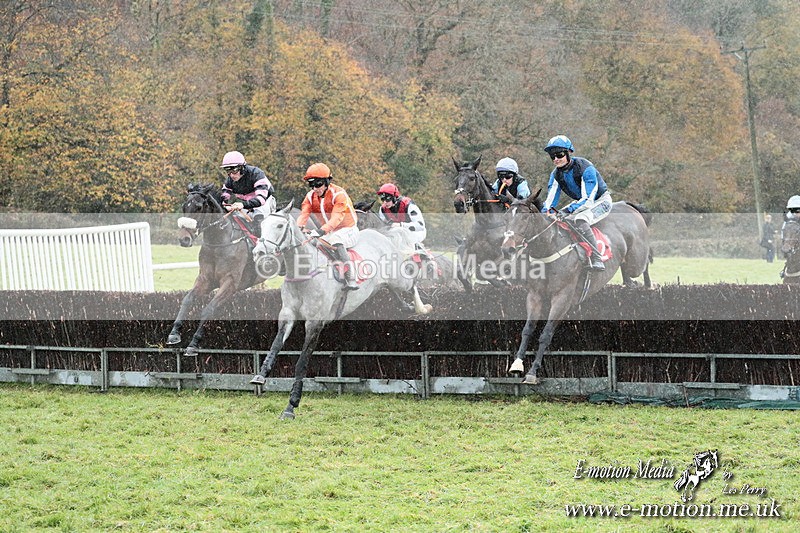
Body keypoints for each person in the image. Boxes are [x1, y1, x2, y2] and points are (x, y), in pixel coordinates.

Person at [541, 135, 611, 271]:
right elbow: (550, 201)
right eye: (552, 156)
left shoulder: (585, 167)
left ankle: (597, 258)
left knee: (580, 219)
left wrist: (567, 211)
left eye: (559, 154)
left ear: (569, 153)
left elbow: (588, 200)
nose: (556, 159)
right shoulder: (556, 174)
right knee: (555, 219)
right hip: (581, 202)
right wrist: (544, 214)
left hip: (600, 201)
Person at [296, 163, 361, 290]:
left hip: (348, 229)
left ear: (326, 182)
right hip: (329, 231)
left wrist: (321, 231)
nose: (315, 188)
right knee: (314, 244)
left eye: (318, 184)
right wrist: (299, 227)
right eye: (311, 184)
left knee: (336, 240)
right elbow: (304, 214)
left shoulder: (339, 194)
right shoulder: (310, 197)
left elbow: (337, 217)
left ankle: (351, 277)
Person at [219, 151, 276, 238]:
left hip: (264, 202)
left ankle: (264, 247)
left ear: (242, 168)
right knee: (236, 220)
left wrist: (242, 204)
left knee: (258, 218)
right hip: (247, 204)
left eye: (234, 170)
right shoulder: (230, 180)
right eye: (228, 170)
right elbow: (225, 194)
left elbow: (261, 200)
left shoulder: (257, 174)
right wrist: (224, 204)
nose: (231, 175)